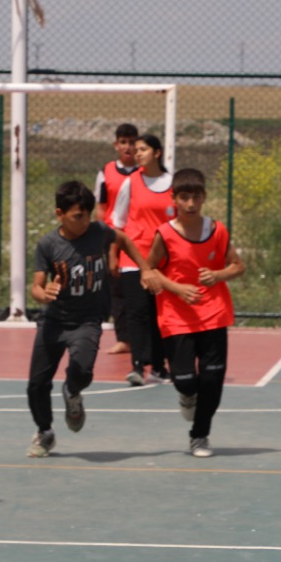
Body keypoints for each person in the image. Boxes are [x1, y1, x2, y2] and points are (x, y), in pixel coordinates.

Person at [25, 180, 150, 457]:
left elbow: (125, 239)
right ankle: (45, 432)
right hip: (54, 321)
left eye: (87, 215)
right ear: (60, 214)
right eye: (77, 216)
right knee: (36, 384)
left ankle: (72, 392)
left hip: (88, 321)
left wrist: (145, 269)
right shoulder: (48, 244)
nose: (84, 222)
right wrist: (43, 293)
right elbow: (36, 286)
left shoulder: (99, 232)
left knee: (81, 371)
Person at [142, 168, 244, 458]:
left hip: (214, 313)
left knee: (213, 378)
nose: (190, 203)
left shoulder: (218, 230)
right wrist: (176, 288)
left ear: (204, 198)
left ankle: (199, 435)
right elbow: (148, 271)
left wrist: (218, 274)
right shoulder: (164, 234)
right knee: (185, 379)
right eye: (184, 197)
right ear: (174, 199)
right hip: (177, 316)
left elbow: (238, 265)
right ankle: (187, 393)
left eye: (195, 197)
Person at [109, 132, 174, 386]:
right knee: (136, 313)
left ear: (157, 153)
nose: (137, 153)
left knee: (159, 314)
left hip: (162, 262)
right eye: (135, 150)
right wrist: (113, 254)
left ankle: (159, 366)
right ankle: (137, 366)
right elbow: (118, 222)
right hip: (133, 259)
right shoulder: (131, 182)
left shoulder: (172, 183)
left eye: (143, 149)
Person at [93, 122, 141, 356]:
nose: (128, 147)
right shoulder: (106, 171)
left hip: (140, 237)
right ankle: (124, 339)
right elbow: (101, 207)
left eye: (132, 142)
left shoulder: (147, 172)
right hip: (114, 238)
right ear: (116, 145)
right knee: (117, 288)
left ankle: (146, 337)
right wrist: (102, 236)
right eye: (124, 142)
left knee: (141, 287)